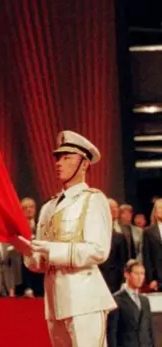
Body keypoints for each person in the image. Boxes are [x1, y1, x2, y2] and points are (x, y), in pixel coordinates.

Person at [20, 130, 116, 347]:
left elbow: (98, 250)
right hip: (55, 301)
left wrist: (51, 249)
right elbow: (41, 263)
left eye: (67, 158)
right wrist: (28, 251)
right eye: (57, 158)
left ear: (84, 164)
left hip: (85, 299)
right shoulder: (48, 207)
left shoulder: (93, 199)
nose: (58, 163)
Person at [107, 260, 155, 347]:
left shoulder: (145, 300)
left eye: (142, 274)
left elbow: (150, 330)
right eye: (136, 273)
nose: (140, 277)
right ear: (126, 274)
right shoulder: (116, 299)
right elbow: (112, 332)